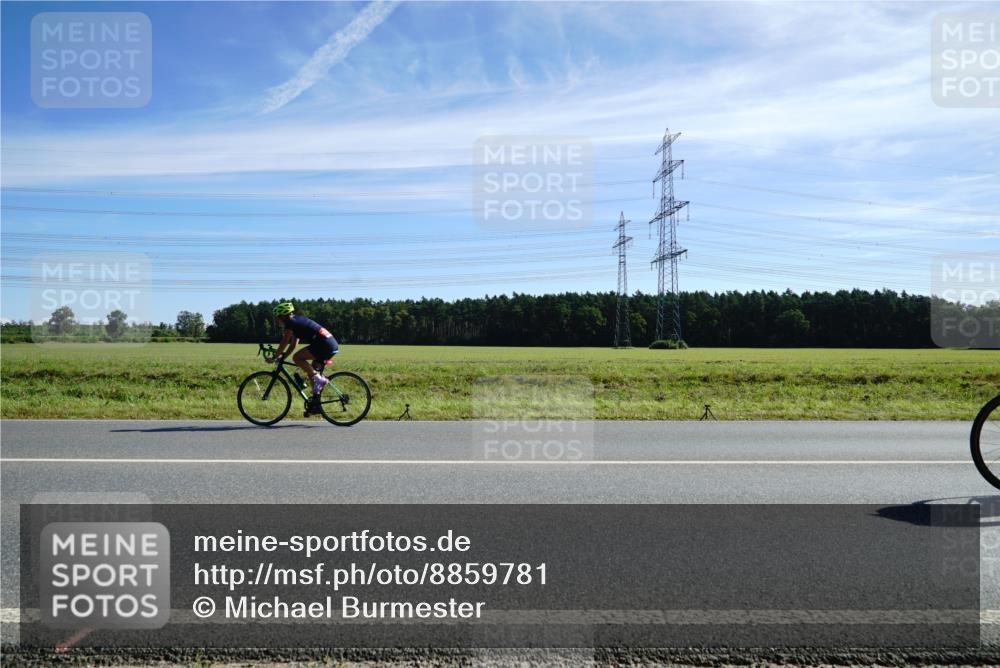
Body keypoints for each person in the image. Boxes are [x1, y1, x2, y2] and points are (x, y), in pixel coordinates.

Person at [267, 302, 339, 400]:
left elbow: (284, 342)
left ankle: (319, 379)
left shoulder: (290, 323)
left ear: (283, 316)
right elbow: (293, 344)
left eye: (278, 317)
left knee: (297, 358)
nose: (277, 320)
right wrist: (283, 357)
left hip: (324, 344)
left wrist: (274, 357)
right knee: (312, 372)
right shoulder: (296, 321)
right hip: (329, 344)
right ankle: (315, 403)